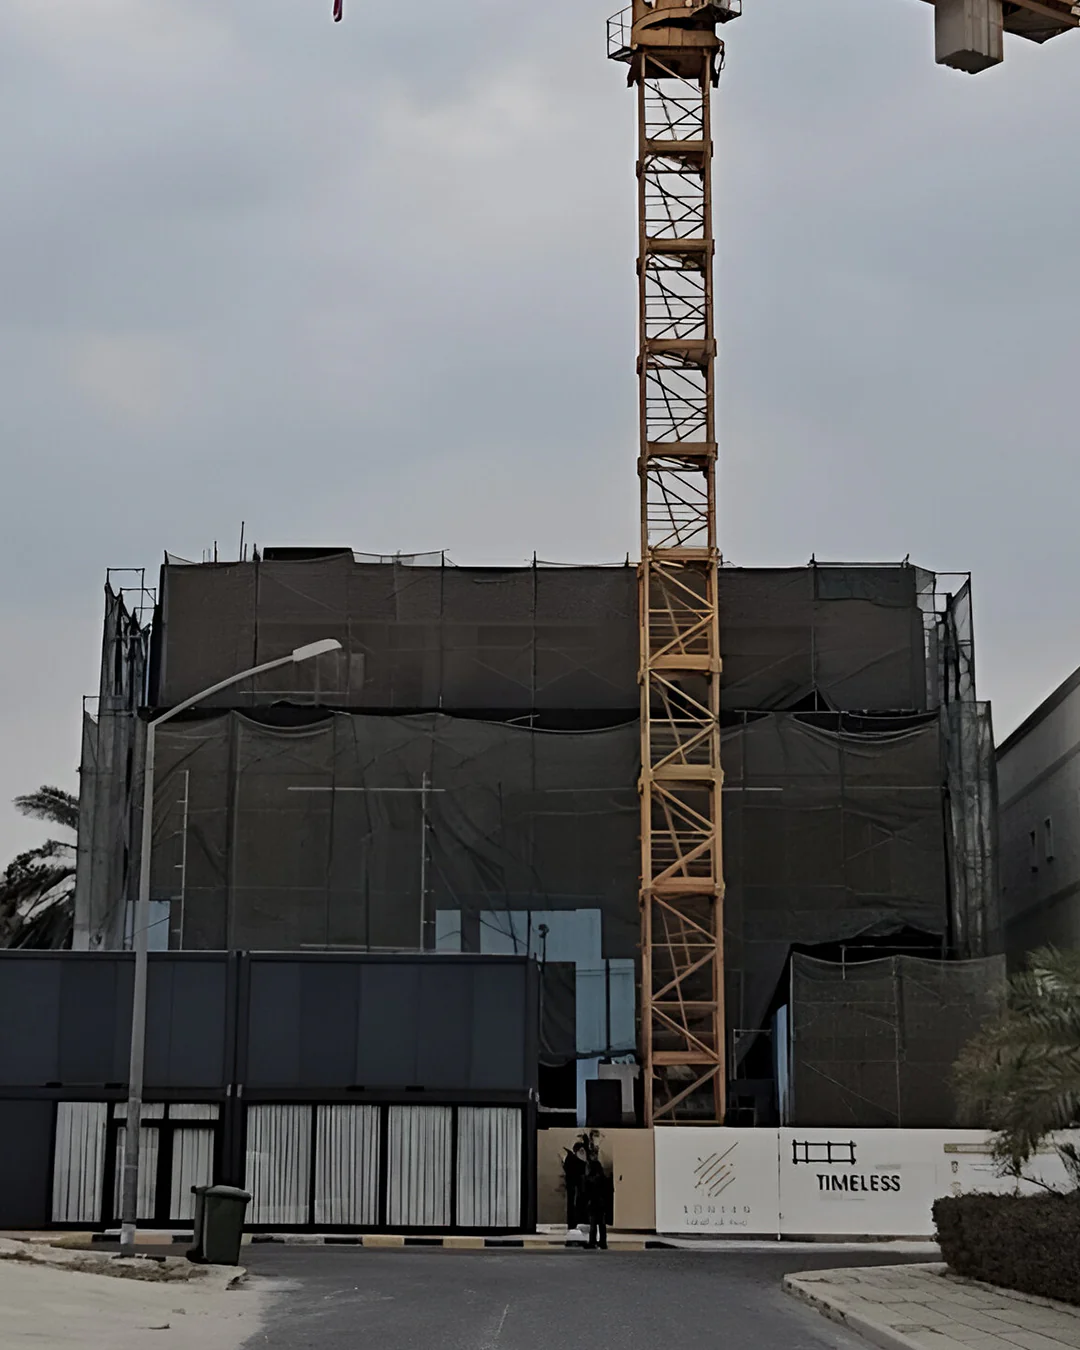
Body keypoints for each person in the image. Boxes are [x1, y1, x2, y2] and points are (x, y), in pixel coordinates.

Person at [582, 1154, 610, 1250]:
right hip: (601, 1202)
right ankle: (603, 1242)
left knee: (593, 1223)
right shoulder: (603, 1178)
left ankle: (592, 1241)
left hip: (593, 1202)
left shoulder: (589, 1179)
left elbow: (586, 1192)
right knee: (601, 1223)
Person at [561, 1142, 587, 1230]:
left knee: (572, 1204)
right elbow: (581, 1166)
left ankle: (572, 1223)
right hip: (574, 1185)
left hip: (572, 1185)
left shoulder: (570, 1158)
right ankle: (573, 1223)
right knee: (573, 1204)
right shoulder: (573, 1159)